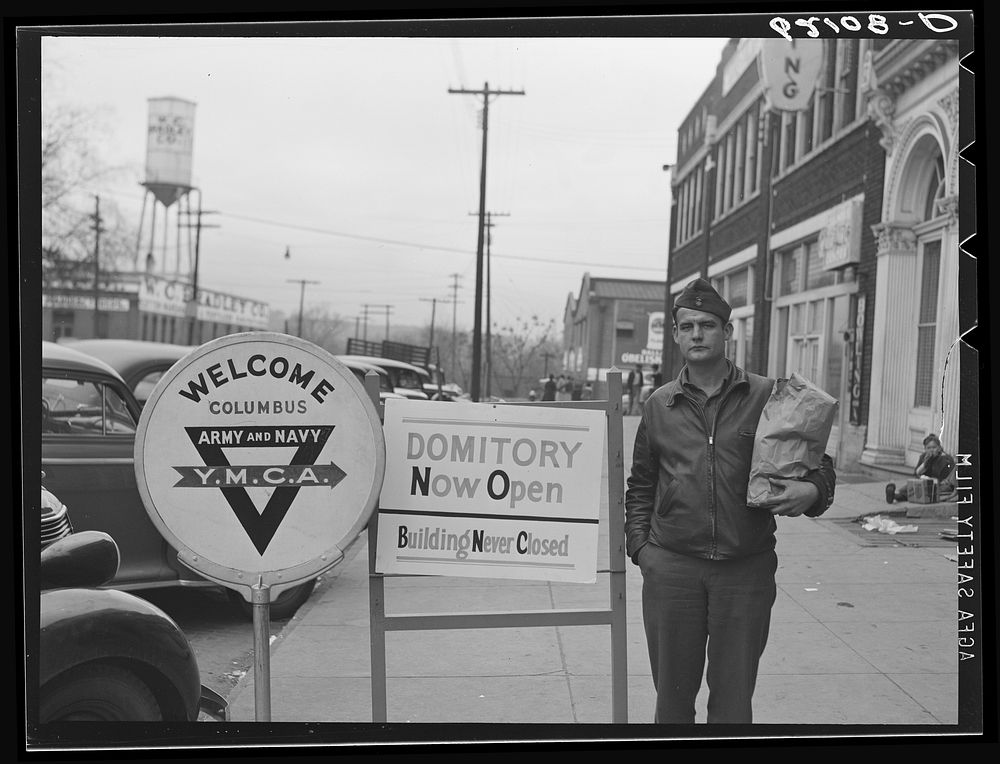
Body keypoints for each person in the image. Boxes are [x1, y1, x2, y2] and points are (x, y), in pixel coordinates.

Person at [625, 277, 836, 724]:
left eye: (707, 325)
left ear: (727, 332)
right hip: (673, 570)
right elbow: (641, 485)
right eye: (687, 326)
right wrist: (643, 551)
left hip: (745, 571)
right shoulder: (659, 405)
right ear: (677, 334)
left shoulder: (766, 396)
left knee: (734, 704)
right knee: (672, 702)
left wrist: (812, 490)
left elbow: (819, 463)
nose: (696, 334)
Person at [886, 433, 958, 503]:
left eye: (934, 447)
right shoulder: (924, 457)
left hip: (941, 484)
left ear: (939, 448)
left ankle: (898, 496)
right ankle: (894, 495)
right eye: (928, 448)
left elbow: (949, 478)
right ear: (925, 449)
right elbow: (917, 473)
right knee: (909, 488)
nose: (931, 450)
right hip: (925, 482)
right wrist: (926, 463)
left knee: (923, 492)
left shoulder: (946, 459)